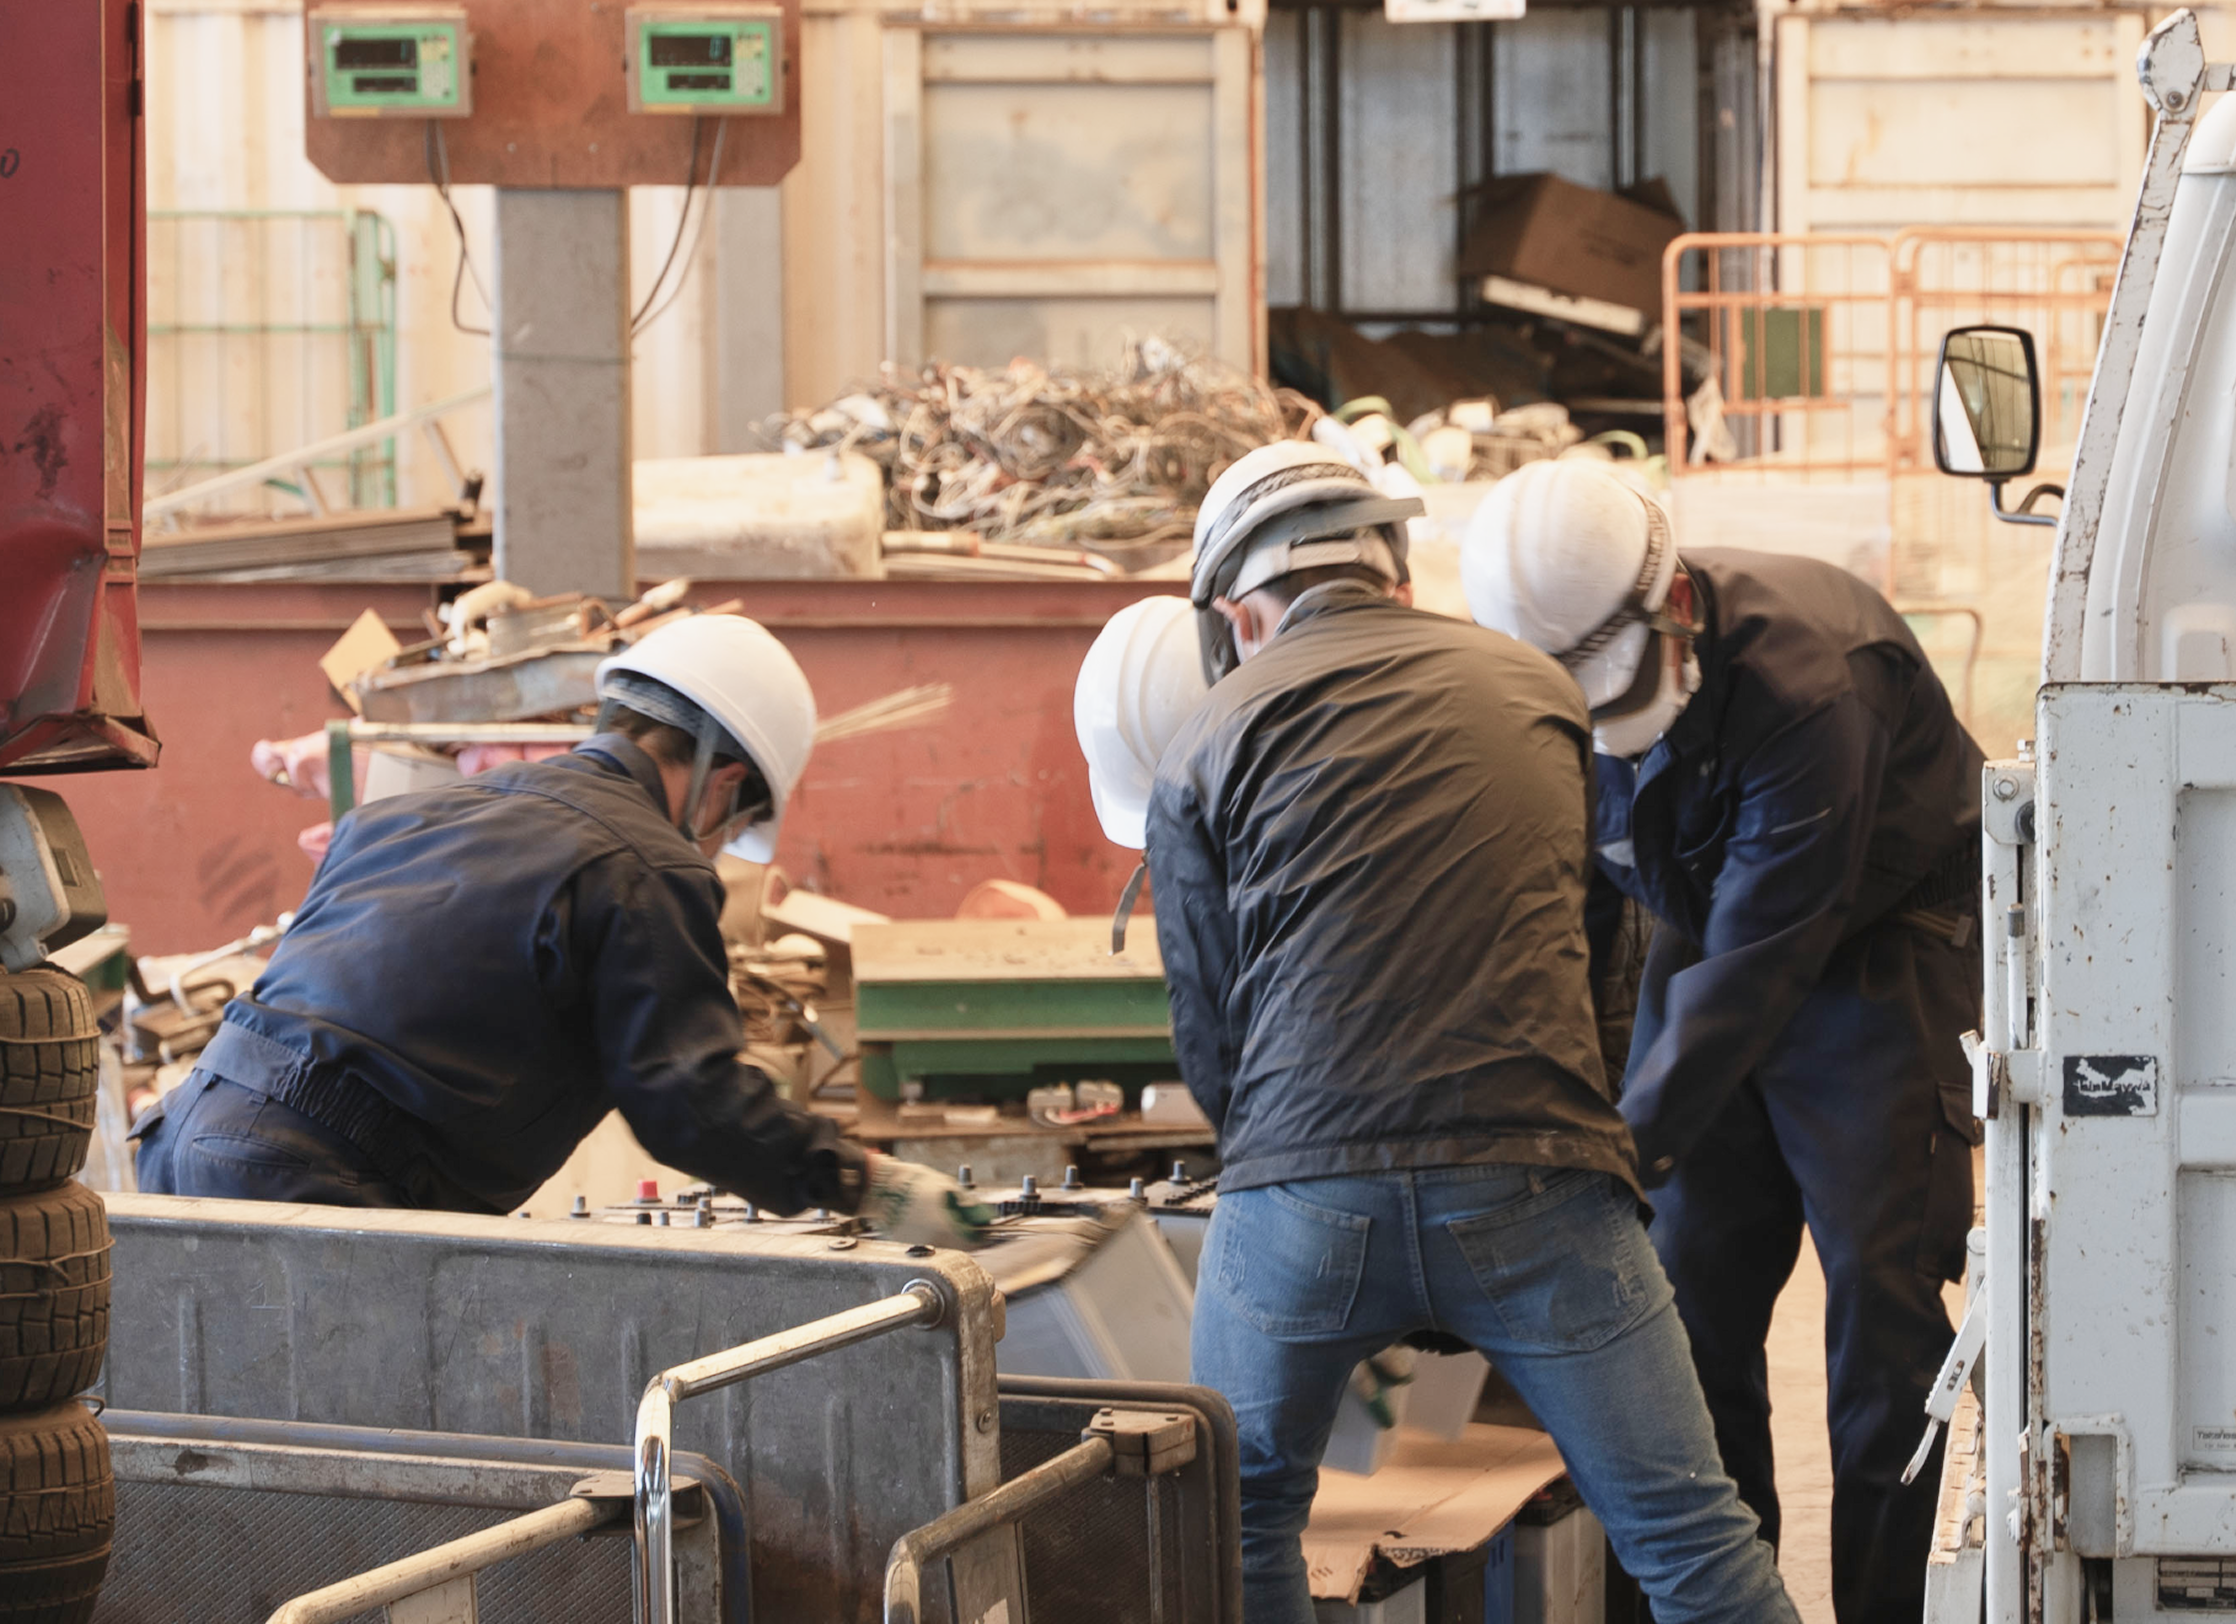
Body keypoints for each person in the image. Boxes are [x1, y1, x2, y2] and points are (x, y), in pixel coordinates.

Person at [1139, 441, 1798, 1624]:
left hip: (1301, 1191)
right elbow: (1611, 959)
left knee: (1237, 1531)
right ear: (1395, 572)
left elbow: (1213, 1038)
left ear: (1240, 614)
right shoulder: (1538, 690)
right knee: (1694, 1540)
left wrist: (1314, 1196)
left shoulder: (1204, 735)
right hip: (1537, 1174)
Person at [1464, 459, 1983, 1624]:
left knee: (1882, 1313)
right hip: (1710, 933)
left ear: (1677, 605)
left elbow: (1761, 967)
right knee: (1685, 1300)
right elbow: (1573, 905)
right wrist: (1560, 1109)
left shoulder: (1815, 684)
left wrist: (1616, 1153)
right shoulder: (1548, 682)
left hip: (1881, 948)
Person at [134, 613, 990, 1249]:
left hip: (178, 1149)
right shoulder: (649, 864)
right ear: (724, 783)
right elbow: (689, 1101)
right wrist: (860, 1180)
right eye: (733, 824)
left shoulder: (406, 815)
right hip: (315, 1189)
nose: (719, 846)